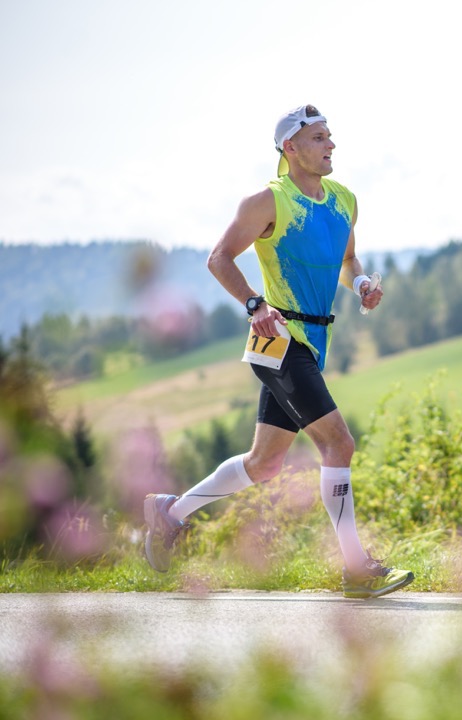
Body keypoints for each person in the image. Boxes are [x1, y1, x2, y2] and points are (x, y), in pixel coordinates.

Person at [143, 104, 413, 599]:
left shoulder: (345, 200)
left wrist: (362, 285)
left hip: (315, 341)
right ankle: (356, 569)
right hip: (280, 341)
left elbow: (348, 260)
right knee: (339, 444)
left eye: (330, 136)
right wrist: (254, 304)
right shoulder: (268, 201)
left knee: (264, 464)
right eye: (318, 138)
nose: (331, 145)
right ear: (290, 147)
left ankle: (170, 512)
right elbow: (219, 258)